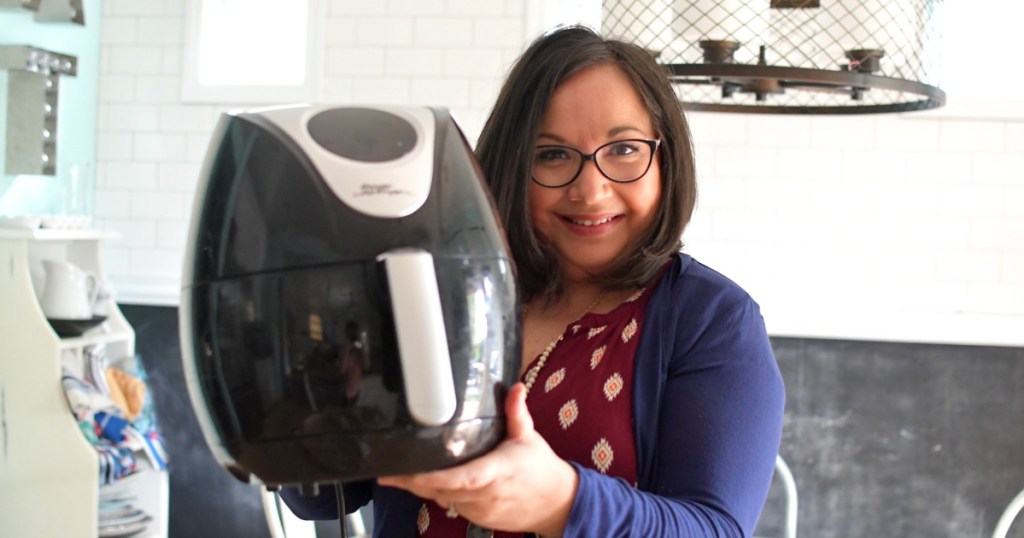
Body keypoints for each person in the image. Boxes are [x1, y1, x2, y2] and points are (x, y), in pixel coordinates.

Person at [282, 25, 785, 537]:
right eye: (552, 155)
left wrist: (561, 503)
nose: (591, 191)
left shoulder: (710, 318)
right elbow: (321, 500)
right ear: (513, 166)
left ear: (667, 159)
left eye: (625, 150)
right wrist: (322, 398)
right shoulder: (440, 296)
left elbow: (716, 528)